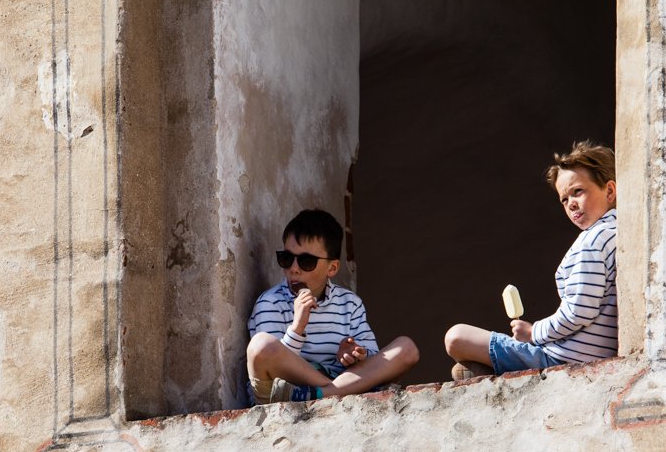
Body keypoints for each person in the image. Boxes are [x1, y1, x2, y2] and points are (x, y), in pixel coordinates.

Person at [445, 140, 618, 378]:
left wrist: (532, 332)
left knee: (456, 337)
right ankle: (482, 372)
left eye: (578, 191)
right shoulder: (617, 233)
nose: (572, 204)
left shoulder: (593, 239)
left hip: (563, 359)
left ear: (609, 190)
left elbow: (580, 312)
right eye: (564, 199)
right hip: (583, 354)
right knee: (464, 370)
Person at [247, 209, 419, 405]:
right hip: (287, 389)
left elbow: (372, 355)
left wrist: (355, 354)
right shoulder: (270, 303)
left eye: (306, 261)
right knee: (261, 345)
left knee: (406, 348)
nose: (294, 268)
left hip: (334, 381)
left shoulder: (349, 302)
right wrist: (297, 327)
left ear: (332, 268)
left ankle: (324, 394)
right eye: (286, 258)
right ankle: (339, 392)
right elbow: (273, 365)